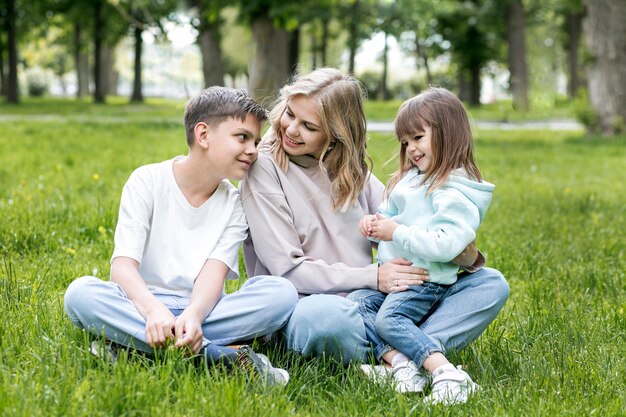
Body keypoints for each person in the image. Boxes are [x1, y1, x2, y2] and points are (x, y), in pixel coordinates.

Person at [239, 68, 508, 385]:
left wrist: (461, 252)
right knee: (326, 320)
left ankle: (400, 360)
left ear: (337, 133)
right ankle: (415, 354)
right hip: (311, 304)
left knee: (490, 285)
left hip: (375, 301)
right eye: (289, 114)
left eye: (309, 126)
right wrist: (374, 277)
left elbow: (402, 224)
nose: (291, 130)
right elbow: (287, 269)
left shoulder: (348, 167)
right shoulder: (263, 167)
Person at [64, 87, 298, 385]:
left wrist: (195, 315)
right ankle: (217, 354)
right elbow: (122, 267)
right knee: (80, 294)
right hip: (141, 303)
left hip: (207, 308)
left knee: (281, 293)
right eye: (242, 137)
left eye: (255, 140)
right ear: (203, 135)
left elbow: (213, 273)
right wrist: (152, 311)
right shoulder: (146, 181)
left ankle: (132, 347)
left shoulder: (235, 202)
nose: (253, 149)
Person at [356, 87, 494, 405]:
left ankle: (446, 373)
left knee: (389, 321)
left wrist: (396, 233)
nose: (412, 149)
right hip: (398, 278)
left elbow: (446, 246)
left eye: (418, 137)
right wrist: (375, 227)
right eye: (406, 142)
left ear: (449, 133)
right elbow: (391, 218)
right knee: (357, 303)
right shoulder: (413, 179)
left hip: (426, 281)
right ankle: (403, 364)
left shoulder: (455, 191)